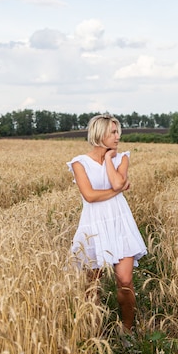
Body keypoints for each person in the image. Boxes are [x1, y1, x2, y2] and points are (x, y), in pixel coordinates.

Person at [67, 113, 147, 334]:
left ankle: (127, 330)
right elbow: (90, 196)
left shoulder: (122, 158)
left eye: (117, 131)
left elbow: (117, 180)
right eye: (112, 132)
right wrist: (118, 190)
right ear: (99, 133)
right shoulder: (79, 163)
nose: (117, 136)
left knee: (125, 280)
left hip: (120, 222)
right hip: (93, 226)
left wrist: (110, 159)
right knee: (92, 286)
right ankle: (93, 332)